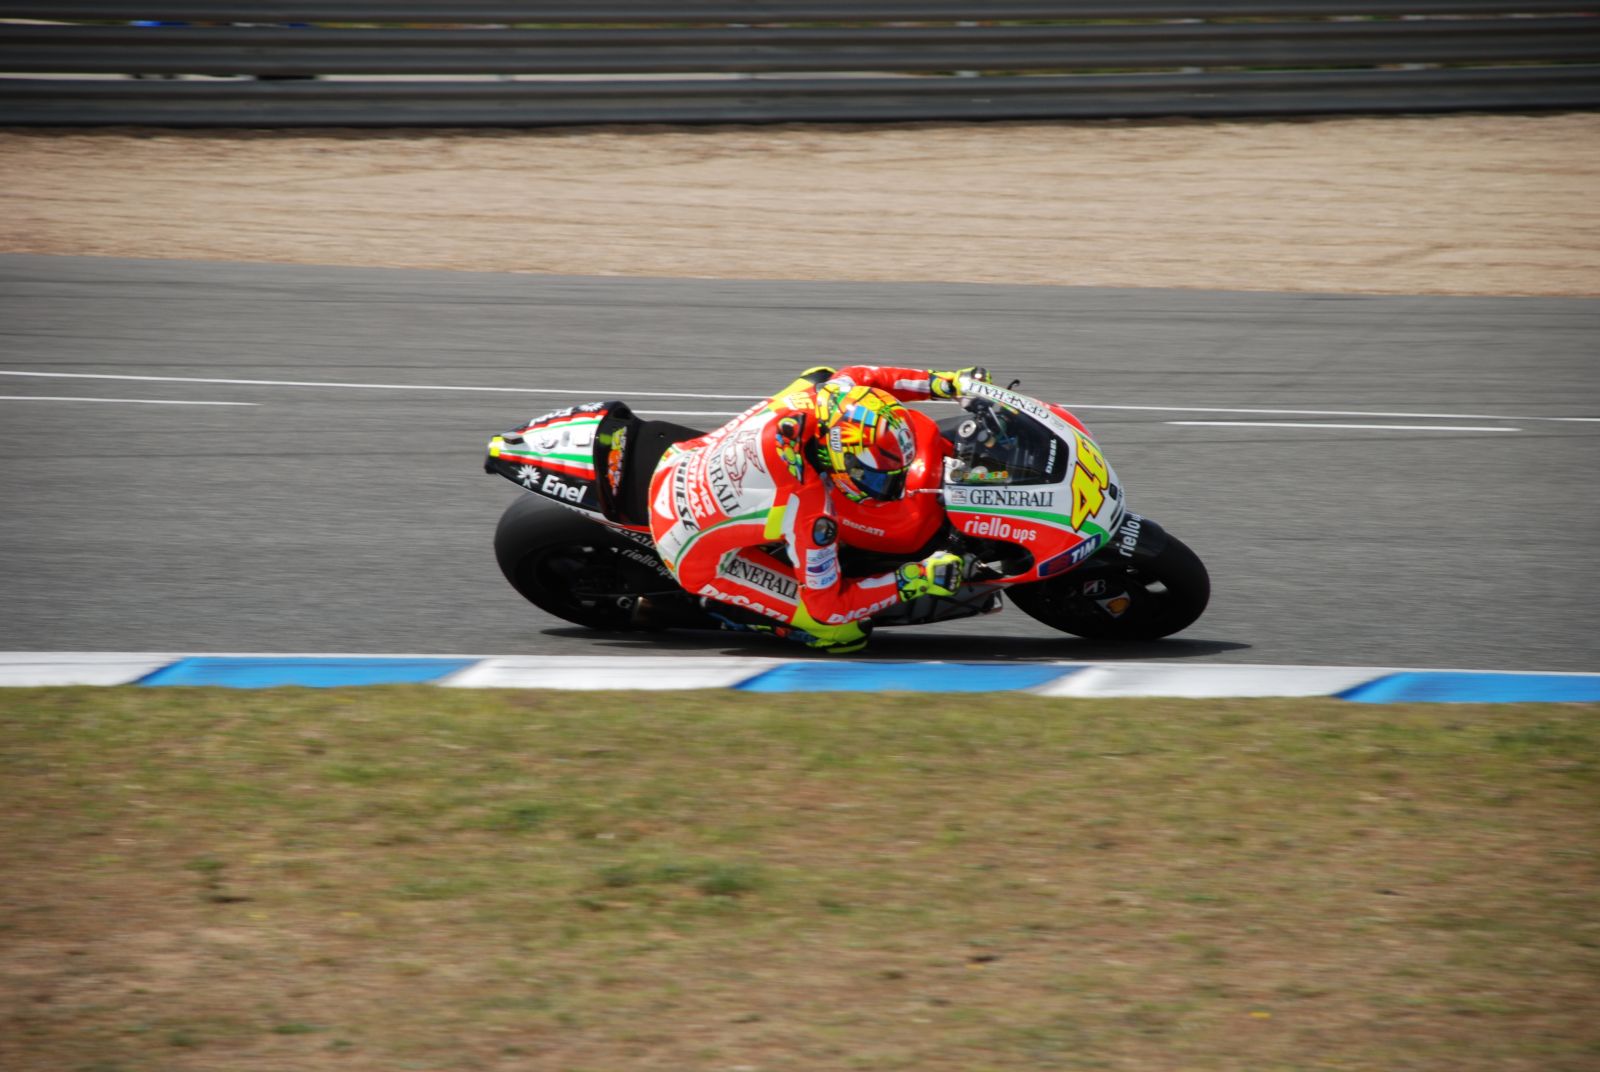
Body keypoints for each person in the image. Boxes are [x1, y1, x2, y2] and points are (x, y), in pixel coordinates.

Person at [646, 365, 986, 653]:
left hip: (679, 459)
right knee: (842, 631)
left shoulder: (827, 399)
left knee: (818, 375)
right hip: (686, 548)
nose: (890, 488)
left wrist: (946, 384)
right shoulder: (809, 511)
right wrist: (915, 578)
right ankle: (741, 615)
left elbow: (864, 376)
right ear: (839, 457)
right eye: (877, 478)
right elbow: (829, 606)